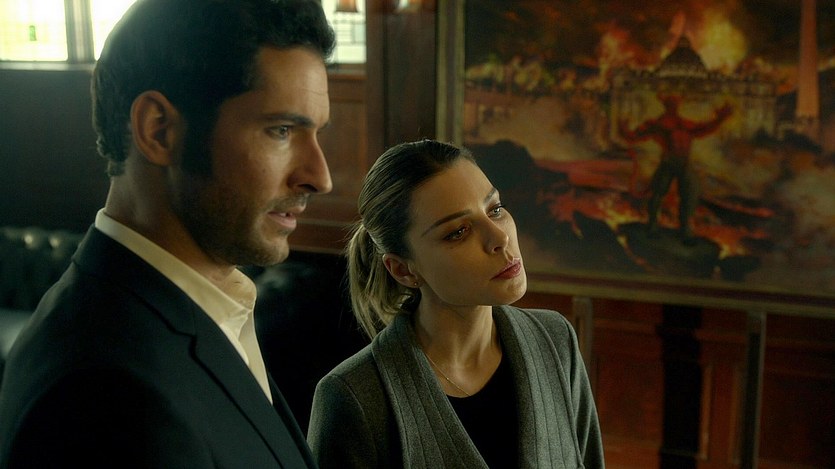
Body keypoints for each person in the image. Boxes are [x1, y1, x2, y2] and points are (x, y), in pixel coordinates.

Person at [0, 0, 334, 467]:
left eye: (316, 133)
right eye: (280, 130)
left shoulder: (199, 310)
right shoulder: (104, 396)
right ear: (159, 131)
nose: (320, 177)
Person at [307, 139, 604, 468]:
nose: (500, 238)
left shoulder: (555, 339)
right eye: (459, 231)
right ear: (404, 270)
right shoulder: (353, 396)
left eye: (495, 209)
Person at [619, 95, 732, 241]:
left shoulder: (685, 124)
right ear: (665, 104)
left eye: (675, 101)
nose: (674, 103)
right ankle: (652, 225)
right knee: (658, 193)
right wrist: (624, 129)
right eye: (670, 101)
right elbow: (633, 136)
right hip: (668, 162)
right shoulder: (656, 124)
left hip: (684, 164)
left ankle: (685, 229)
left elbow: (704, 129)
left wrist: (720, 118)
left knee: (690, 193)